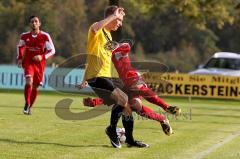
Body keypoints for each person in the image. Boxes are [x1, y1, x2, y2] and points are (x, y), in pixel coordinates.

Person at [78, 6, 149, 148]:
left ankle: (129, 139)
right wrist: (114, 15)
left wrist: (83, 78)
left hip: (106, 76)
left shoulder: (109, 35)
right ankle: (112, 130)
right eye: (119, 20)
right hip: (97, 77)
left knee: (130, 103)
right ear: (111, 17)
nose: (120, 23)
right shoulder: (96, 28)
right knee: (123, 99)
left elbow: (92, 56)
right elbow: (95, 29)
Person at [17, 15, 55, 115]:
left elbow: (52, 50)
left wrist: (42, 57)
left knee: (35, 87)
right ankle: (27, 103)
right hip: (28, 63)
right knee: (29, 82)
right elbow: (20, 46)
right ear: (29, 24)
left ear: (39, 23)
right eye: (32, 22)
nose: (34, 23)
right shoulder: (24, 36)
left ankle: (29, 107)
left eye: (36, 21)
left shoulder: (45, 36)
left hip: (39, 65)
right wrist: (20, 58)